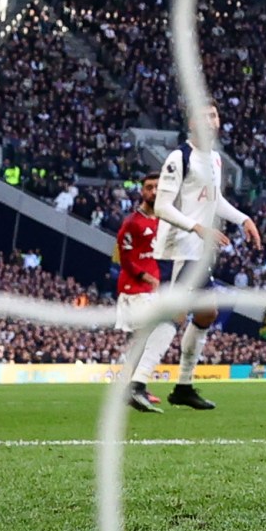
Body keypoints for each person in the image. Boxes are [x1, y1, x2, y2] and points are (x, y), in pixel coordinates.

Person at [147, 103, 262, 411]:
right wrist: (196, 226)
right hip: (176, 248)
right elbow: (161, 207)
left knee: (206, 314)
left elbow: (216, 200)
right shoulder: (178, 158)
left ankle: (183, 387)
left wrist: (243, 219)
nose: (211, 120)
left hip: (197, 251)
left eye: (214, 115)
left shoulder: (214, 159)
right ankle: (136, 383)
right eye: (204, 115)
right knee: (174, 314)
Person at [115, 173, 165, 413]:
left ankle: (134, 386)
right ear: (142, 191)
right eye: (149, 187)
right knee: (145, 337)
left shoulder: (163, 220)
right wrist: (146, 276)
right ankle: (131, 387)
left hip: (151, 289)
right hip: (134, 289)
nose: (153, 191)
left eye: (157, 187)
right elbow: (124, 258)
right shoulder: (132, 223)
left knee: (144, 339)